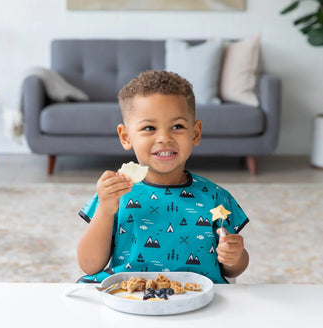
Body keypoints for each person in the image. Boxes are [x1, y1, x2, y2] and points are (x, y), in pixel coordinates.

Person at [77, 70, 249, 284]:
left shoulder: (215, 197)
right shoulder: (116, 193)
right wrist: (104, 209)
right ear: (126, 136)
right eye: (149, 128)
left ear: (195, 133)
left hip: (197, 295)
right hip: (129, 293)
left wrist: (235, 257)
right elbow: (89, 265)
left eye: (177, 127)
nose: (164, 138)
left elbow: (233, 270)